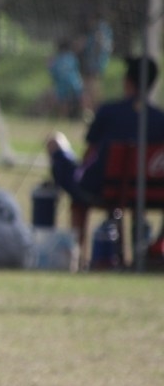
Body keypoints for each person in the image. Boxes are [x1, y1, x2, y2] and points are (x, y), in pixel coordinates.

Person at [47, 55, 164, 257]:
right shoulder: (160, 119)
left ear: (127, 81)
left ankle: (77, 256)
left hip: (105, 188)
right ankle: (152, 248)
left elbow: (89, 155)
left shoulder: (109, 111)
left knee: (69, 172)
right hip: (153, 192)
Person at [78, 13, 113, 115]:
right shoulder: (102, 30)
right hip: (95, 63)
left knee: (93, 86)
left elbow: (100, 45)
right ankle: (92, 109)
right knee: (91, 86)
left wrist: (95, 61)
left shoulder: (100, 29)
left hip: (95, 64)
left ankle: (96, 109)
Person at [47, 38, 82, 121]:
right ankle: (83, 114)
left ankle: (63, 117)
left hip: (62, 84)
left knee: (63, 102)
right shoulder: (72, 57)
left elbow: (54, 73)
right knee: (79, 99)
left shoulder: (57, 59)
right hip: (74, 83)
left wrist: (49, 66)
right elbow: (76, 69)